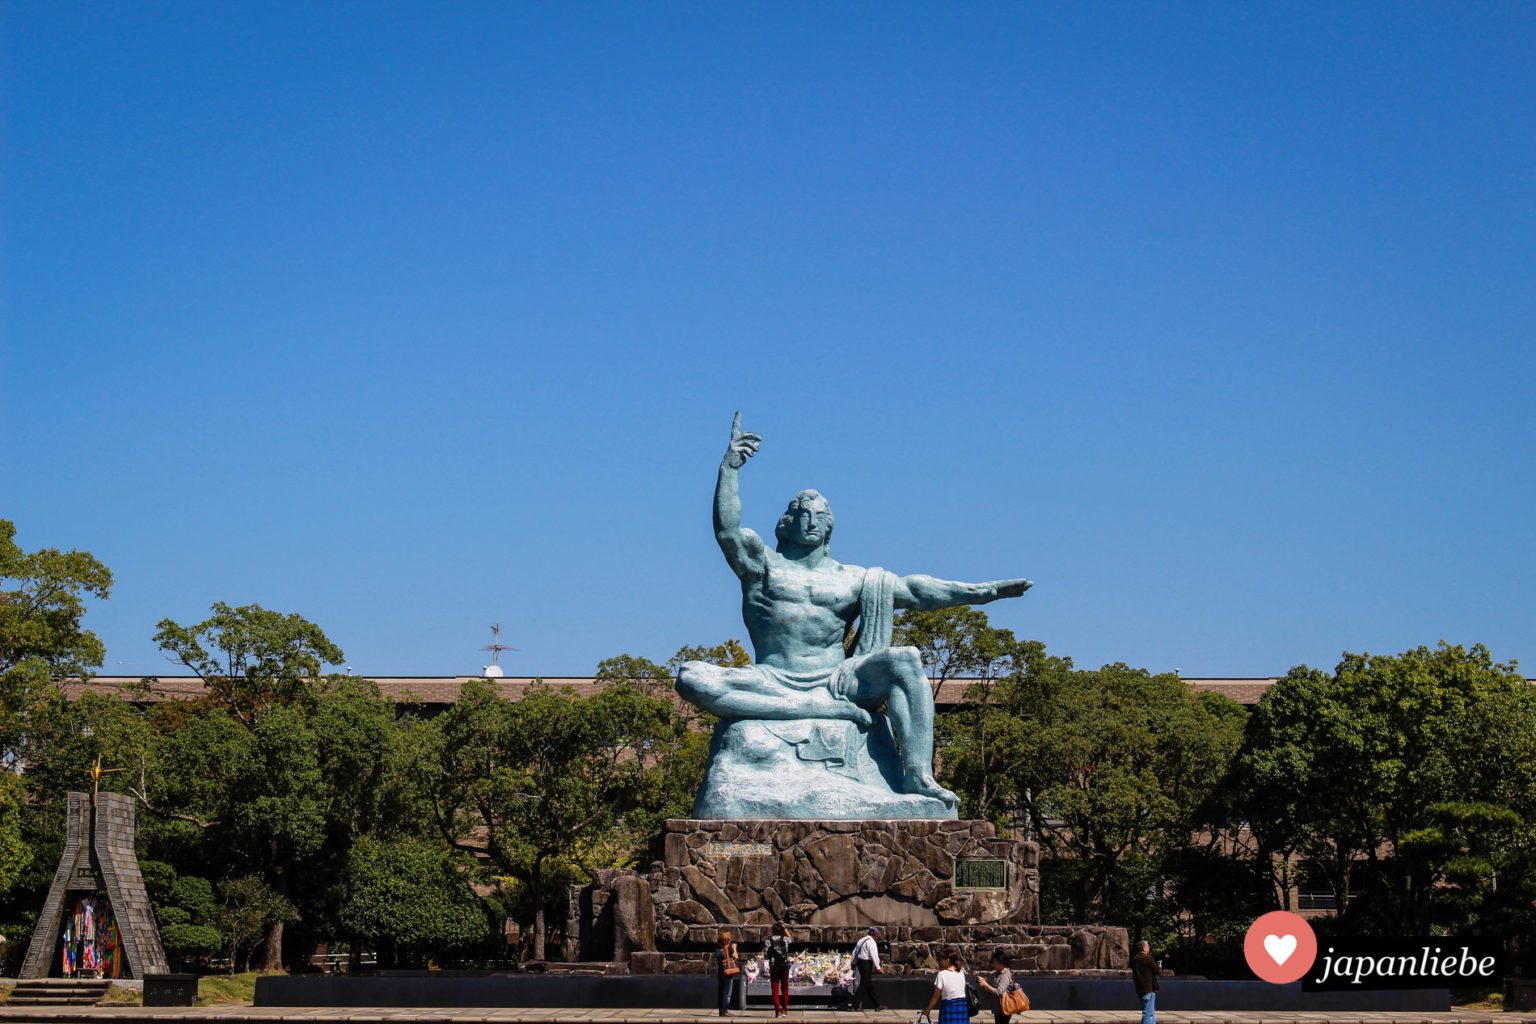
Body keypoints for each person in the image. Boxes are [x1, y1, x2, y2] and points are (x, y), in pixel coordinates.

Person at [676, 413, 1031, 806]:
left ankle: (918, 776)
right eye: (803, 514)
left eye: (821, 516)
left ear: (830, 527)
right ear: (786, 524)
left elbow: (915, 590)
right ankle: (809, 708)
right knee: (691, 678)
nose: (812, 521)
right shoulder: (763, 567)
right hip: (772, 679)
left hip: (837, 681)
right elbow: (727, 531)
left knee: (906, 660)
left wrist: (981, 592)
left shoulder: (854, 579)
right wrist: (729, 469)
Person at [921, 948, 969, 1024]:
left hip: (949, 1008)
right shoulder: (961, 971)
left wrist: (928, 1009)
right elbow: (951, 973)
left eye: (943, 958)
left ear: (948, 960)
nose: (941, 960)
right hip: (962, 1007)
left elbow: (936, 996)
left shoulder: (942, 975)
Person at [976, 947, 1016, 1024]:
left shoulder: (1004, 975)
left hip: (1003, 1009)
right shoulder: (999, 974)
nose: (993, 965)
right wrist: (984, 983)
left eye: (995, 963)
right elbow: (994, 989)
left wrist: (986, 985)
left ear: (1001, 963)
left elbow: (999, 992)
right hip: (999, 1009)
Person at [850, 926, 886, 1011]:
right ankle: (855, 1005)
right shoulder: (871, 942)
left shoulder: (861, 940)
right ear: (876, 935)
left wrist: (853, 963)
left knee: (868, 985)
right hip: (866, 964)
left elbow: (854, 952)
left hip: (860, 962)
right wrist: (878, 967)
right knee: (864, 984)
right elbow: (874, 955)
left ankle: (877, 1005)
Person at [764, 922, 793, 1017]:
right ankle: (785, 1010)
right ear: (781, 930)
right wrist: (785, 928)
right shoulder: (785, 939)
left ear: (773, 931)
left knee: (775, 990)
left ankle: (778, 1011)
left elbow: (766, 956)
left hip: (774, 967)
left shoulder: (768, 941)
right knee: (785, 989)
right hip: (784, 967)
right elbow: (791, 938)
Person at [1132, 940, 1160, 1024]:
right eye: (1148, 947)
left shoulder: (1134, 959)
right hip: (1149, 989)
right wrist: (1159, 966)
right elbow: (1157, 970)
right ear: (1144, 948)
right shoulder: (1148, 958)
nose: (1149, 949)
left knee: (1148, 1011)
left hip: (1140, 989)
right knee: (1149, 1013)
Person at [716, 927, 742, 1017]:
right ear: (727, 939)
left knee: (721, 992)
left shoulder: (718, 948)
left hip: (720, 972)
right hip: (727, 972)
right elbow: (736, 956)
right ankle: (724, 1011)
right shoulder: (729, 948)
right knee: (726, 993)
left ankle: (721, 1011)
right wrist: (734, 948)